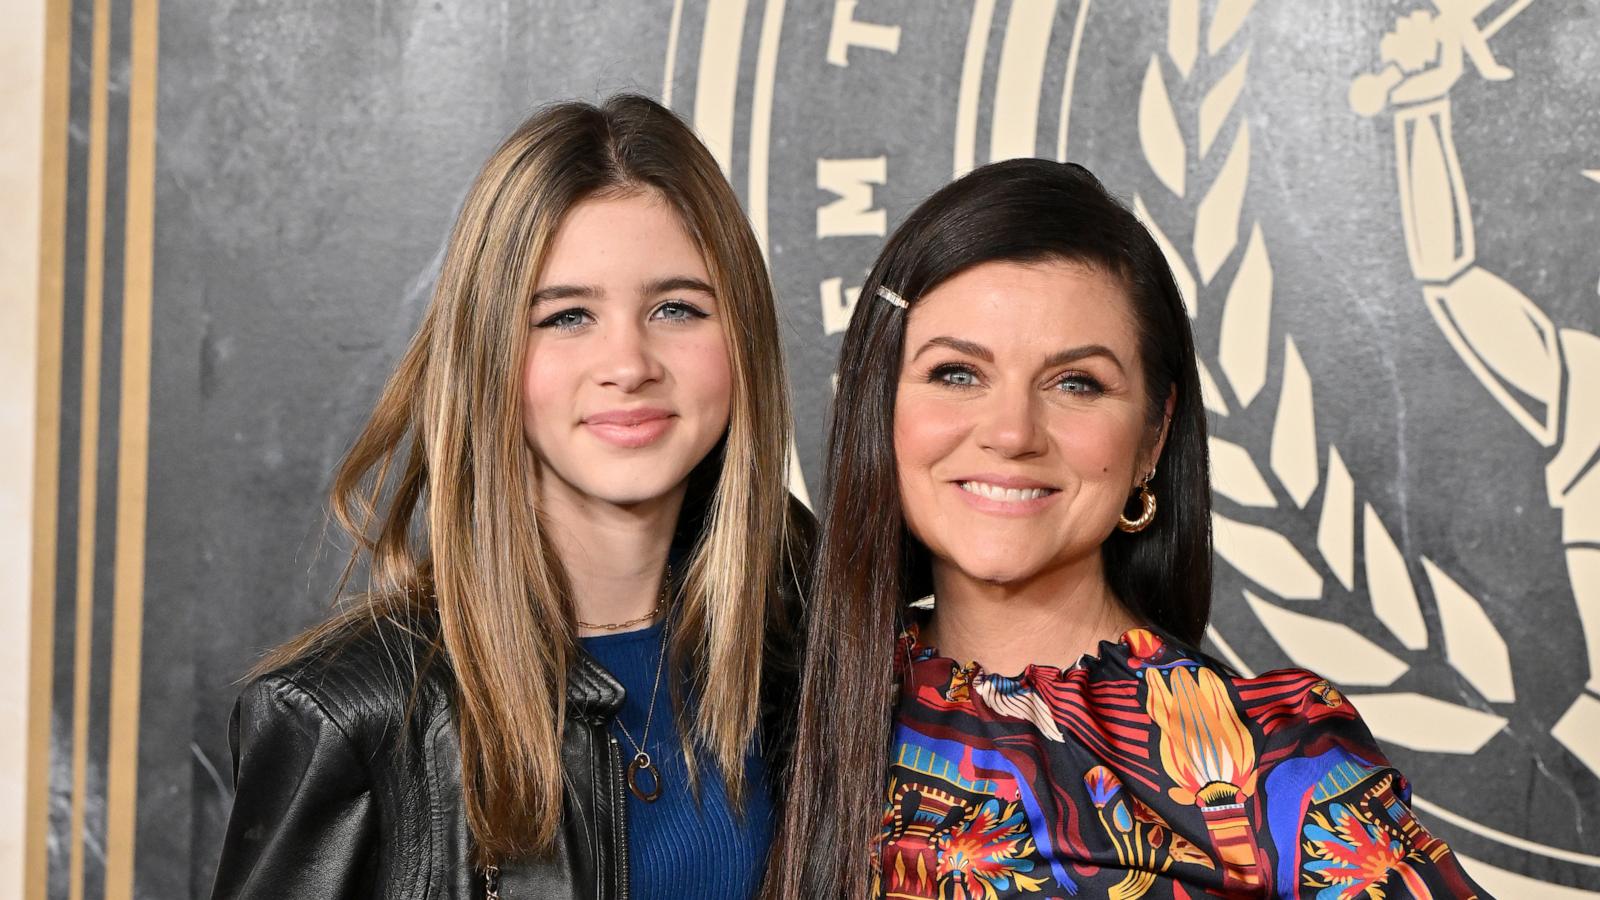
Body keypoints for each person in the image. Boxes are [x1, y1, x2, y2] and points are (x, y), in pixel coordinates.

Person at [769, 159, 1486, 898]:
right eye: (957, 373)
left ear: (1152, 436)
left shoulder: (1282, 766)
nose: (1012, 432)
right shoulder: (772, 709)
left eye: (1076, 383)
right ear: (878, 403)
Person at [211, 94, 812, 899]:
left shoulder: (808, 651)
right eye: (566, 317)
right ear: (487, 355)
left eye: (676, 308)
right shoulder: (349, 721)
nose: (628, 362)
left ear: (744, 338)